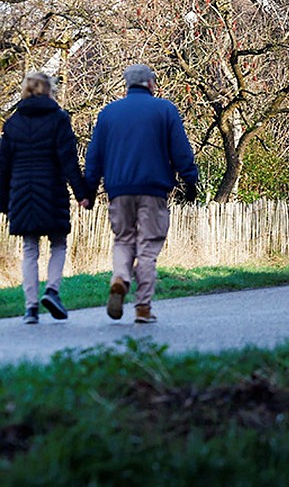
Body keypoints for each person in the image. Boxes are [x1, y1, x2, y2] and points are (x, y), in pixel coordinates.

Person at [84, 63, 198, 324]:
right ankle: (143, 308)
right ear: (149, 83)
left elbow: (94, 156)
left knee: (124, 239)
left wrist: (89, 189)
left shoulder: (108, 113)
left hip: (118, 191)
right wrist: (190, 179)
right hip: (153, 190)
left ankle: (120, 279)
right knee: (147, 248)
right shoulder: (165, 110)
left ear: (128, 84)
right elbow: (180, 150)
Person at [0, 72, 93, 324]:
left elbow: (3, 166)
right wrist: (82, 193)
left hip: (21, 193)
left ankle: (30, 307)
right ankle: (52, 290)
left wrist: (3, 201)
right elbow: (68, 161)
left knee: (30, 250)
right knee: (59, 244)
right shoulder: (59, 119)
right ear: (48, 90)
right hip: (51, 190)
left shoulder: (12, 123)